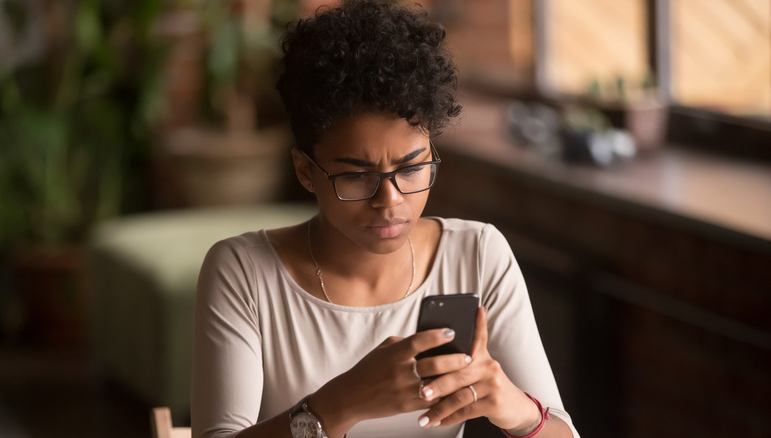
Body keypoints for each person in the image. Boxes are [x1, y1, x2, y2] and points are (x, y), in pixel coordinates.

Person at [191, 1, 579, 437]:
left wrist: (514, 408)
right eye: (357, 175)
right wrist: (340, 404)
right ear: (305, 171)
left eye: (411, 168)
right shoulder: (243, 273)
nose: (390, 200)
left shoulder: (477, 255)